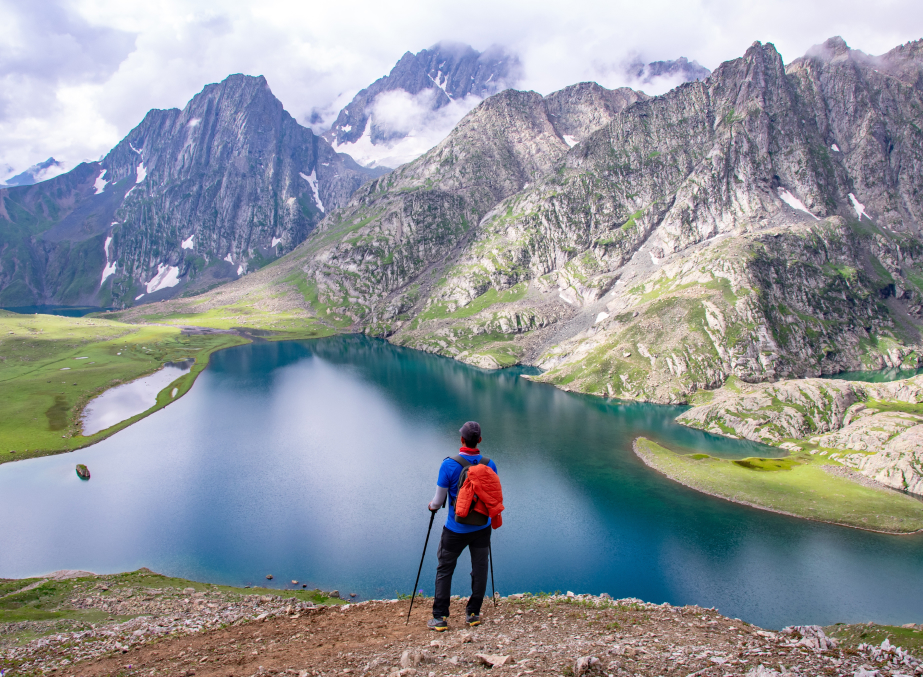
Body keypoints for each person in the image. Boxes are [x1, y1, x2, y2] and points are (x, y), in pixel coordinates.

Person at [426, 420, 498, 631]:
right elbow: (492, 496)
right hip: (481, 528)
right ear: (480, 440)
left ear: (461, 439)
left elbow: (438, 502)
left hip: (455, 529)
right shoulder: (489, 464)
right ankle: (473, 613)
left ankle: (440, 617)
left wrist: (431, 507)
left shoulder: (448, 464)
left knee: (445, 568)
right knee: (480, 569)